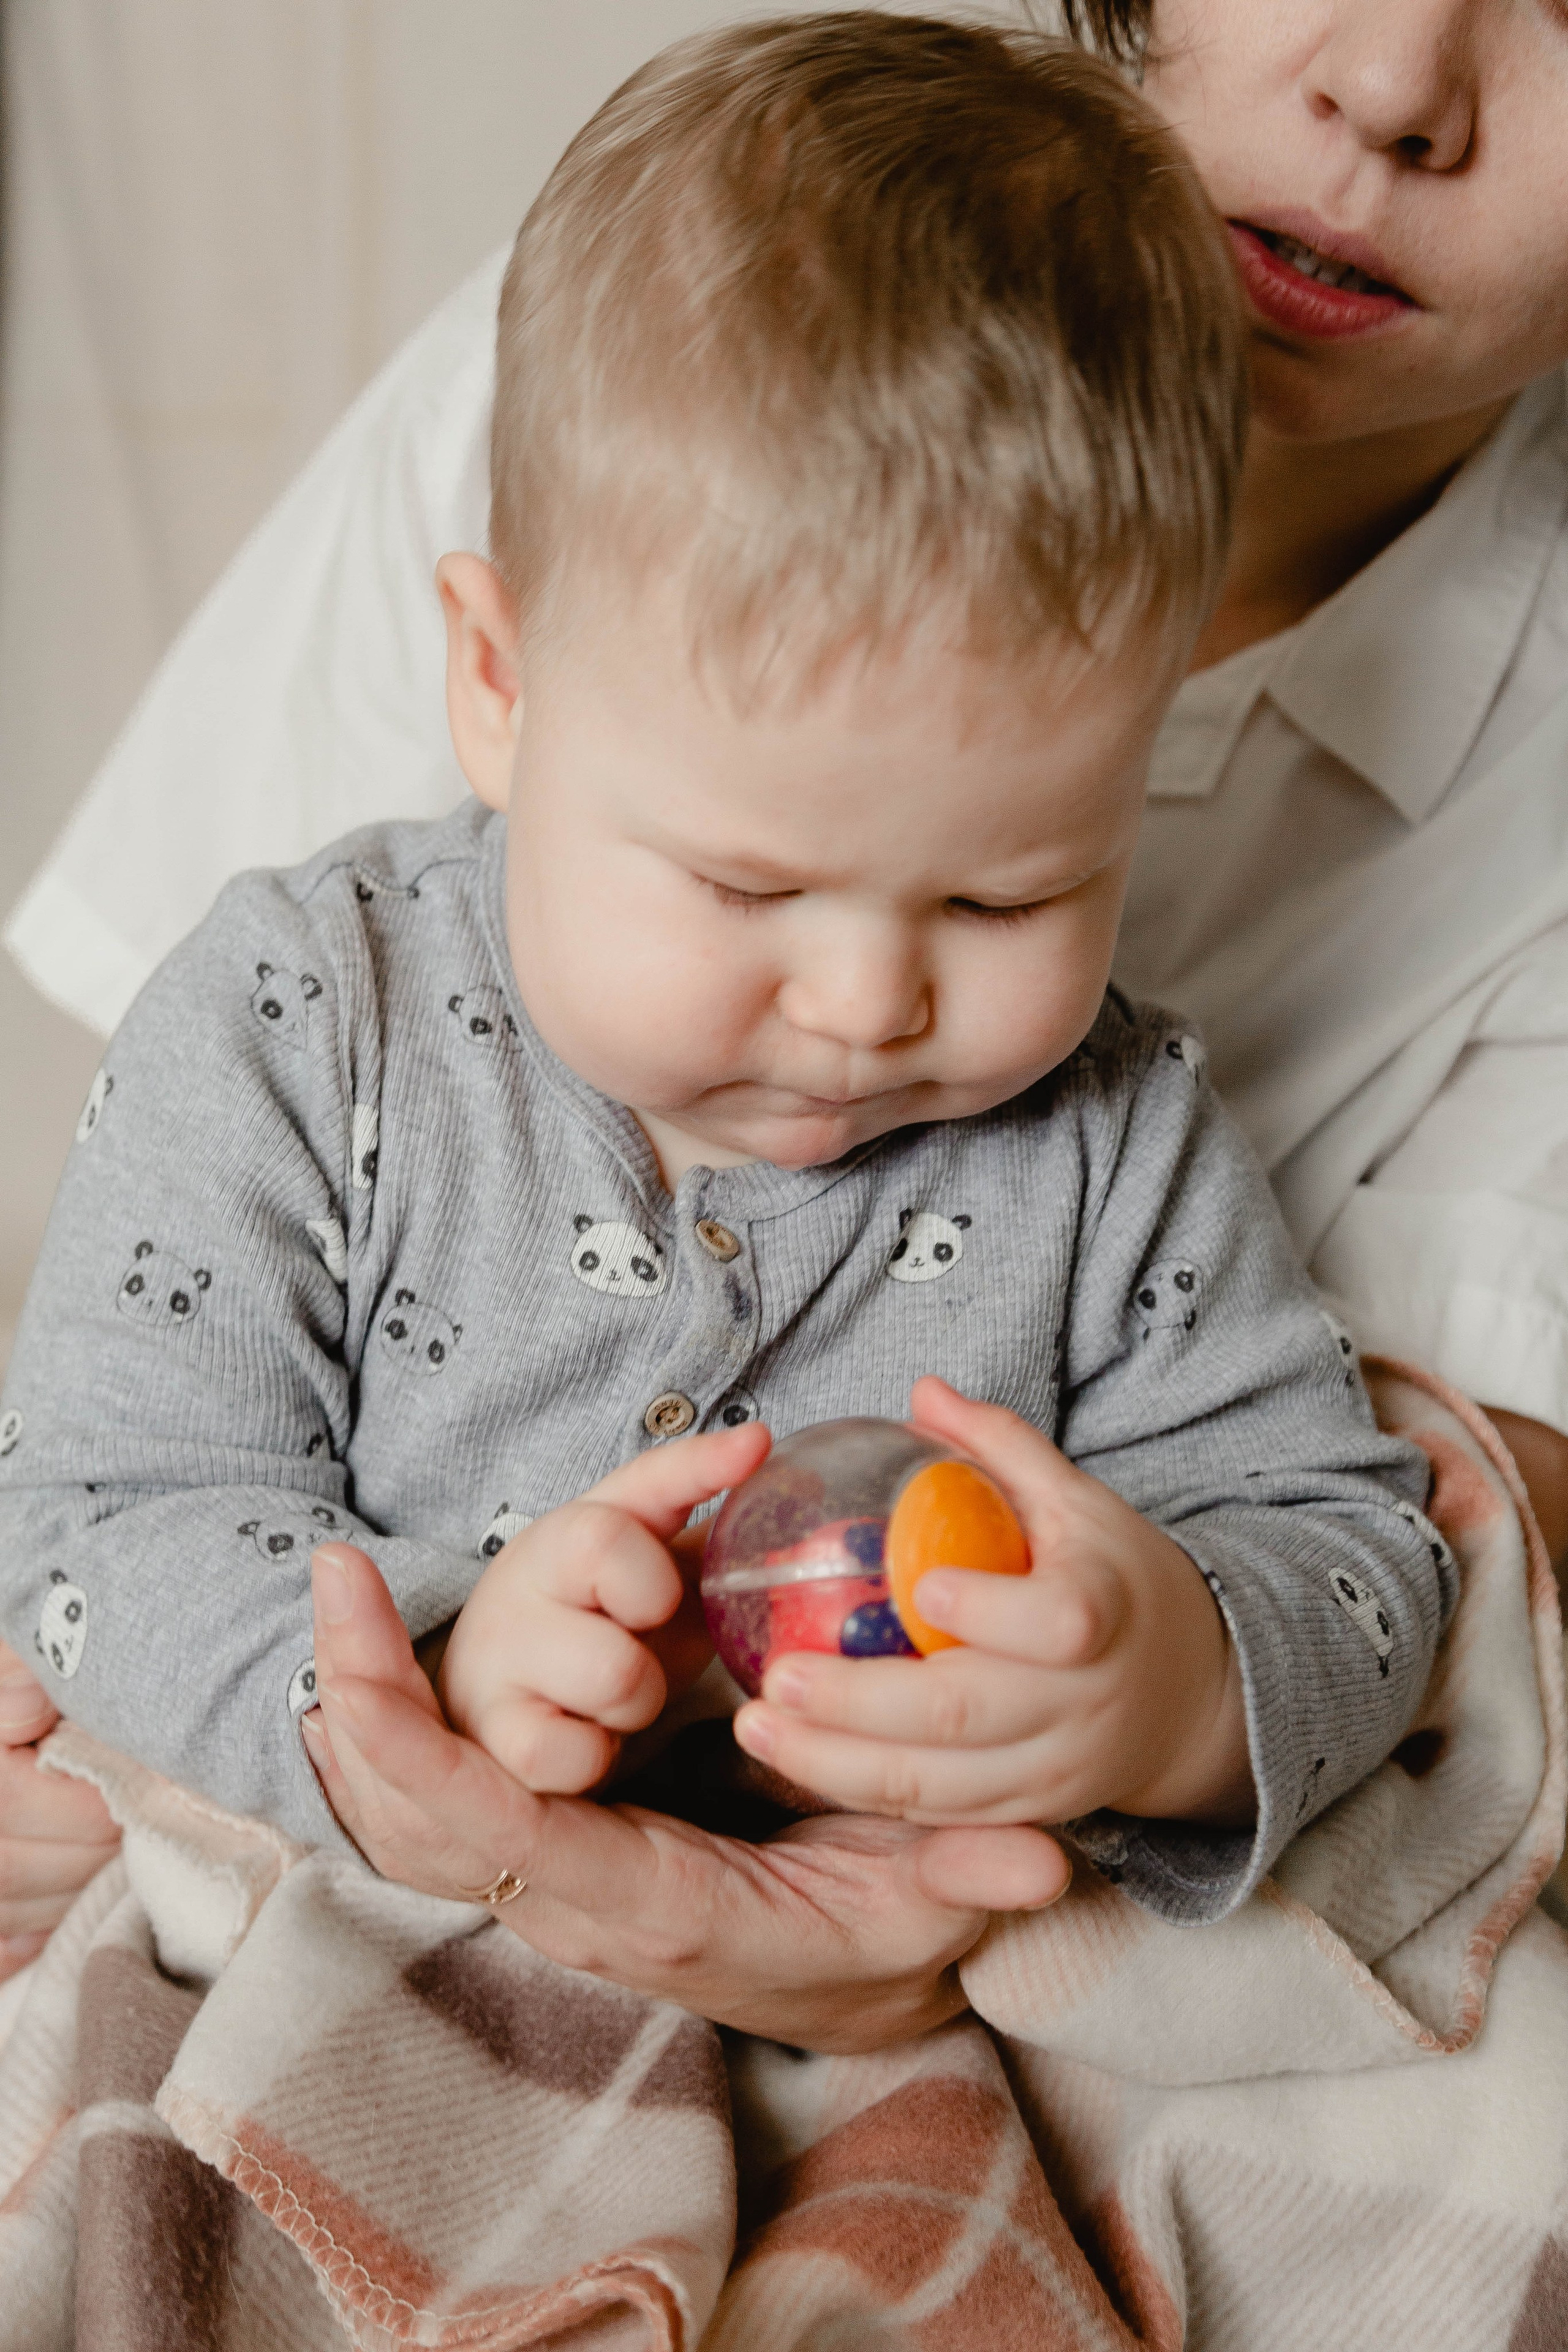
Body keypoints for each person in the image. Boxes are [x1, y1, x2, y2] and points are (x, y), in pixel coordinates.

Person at [3, 0, 1566, 2011]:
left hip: (916, 1975)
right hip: (348, 1921)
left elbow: (1353, 1546)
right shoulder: (311, 1016)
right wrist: (419, 1676)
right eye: (744, 883)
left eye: (1013, 886)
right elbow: (105, 1501)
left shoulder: (1112, 1136)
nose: (863, 1000)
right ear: (497, 682)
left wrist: (1169, 1677)